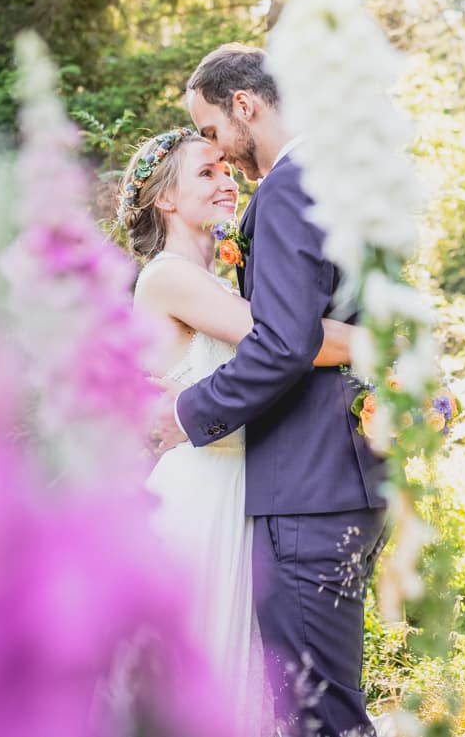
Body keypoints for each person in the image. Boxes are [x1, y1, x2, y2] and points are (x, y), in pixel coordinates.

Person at [153, 43, 388, 737]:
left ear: (245, 105)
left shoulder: (288, 189)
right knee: (321, 707)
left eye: (215, 130)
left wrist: (187, 412)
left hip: (305, 493)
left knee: (321, 717)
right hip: (344, 478)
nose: (221, 152)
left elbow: (284, 342)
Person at [117, 124, 356, 734]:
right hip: (196, 499)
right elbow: (290, 341)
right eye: (207, 172)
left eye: (226, 169)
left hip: (244, 494)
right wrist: (393, 344)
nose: (228, 181)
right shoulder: (166, 276)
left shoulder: (222, 280)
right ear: (165, 199)